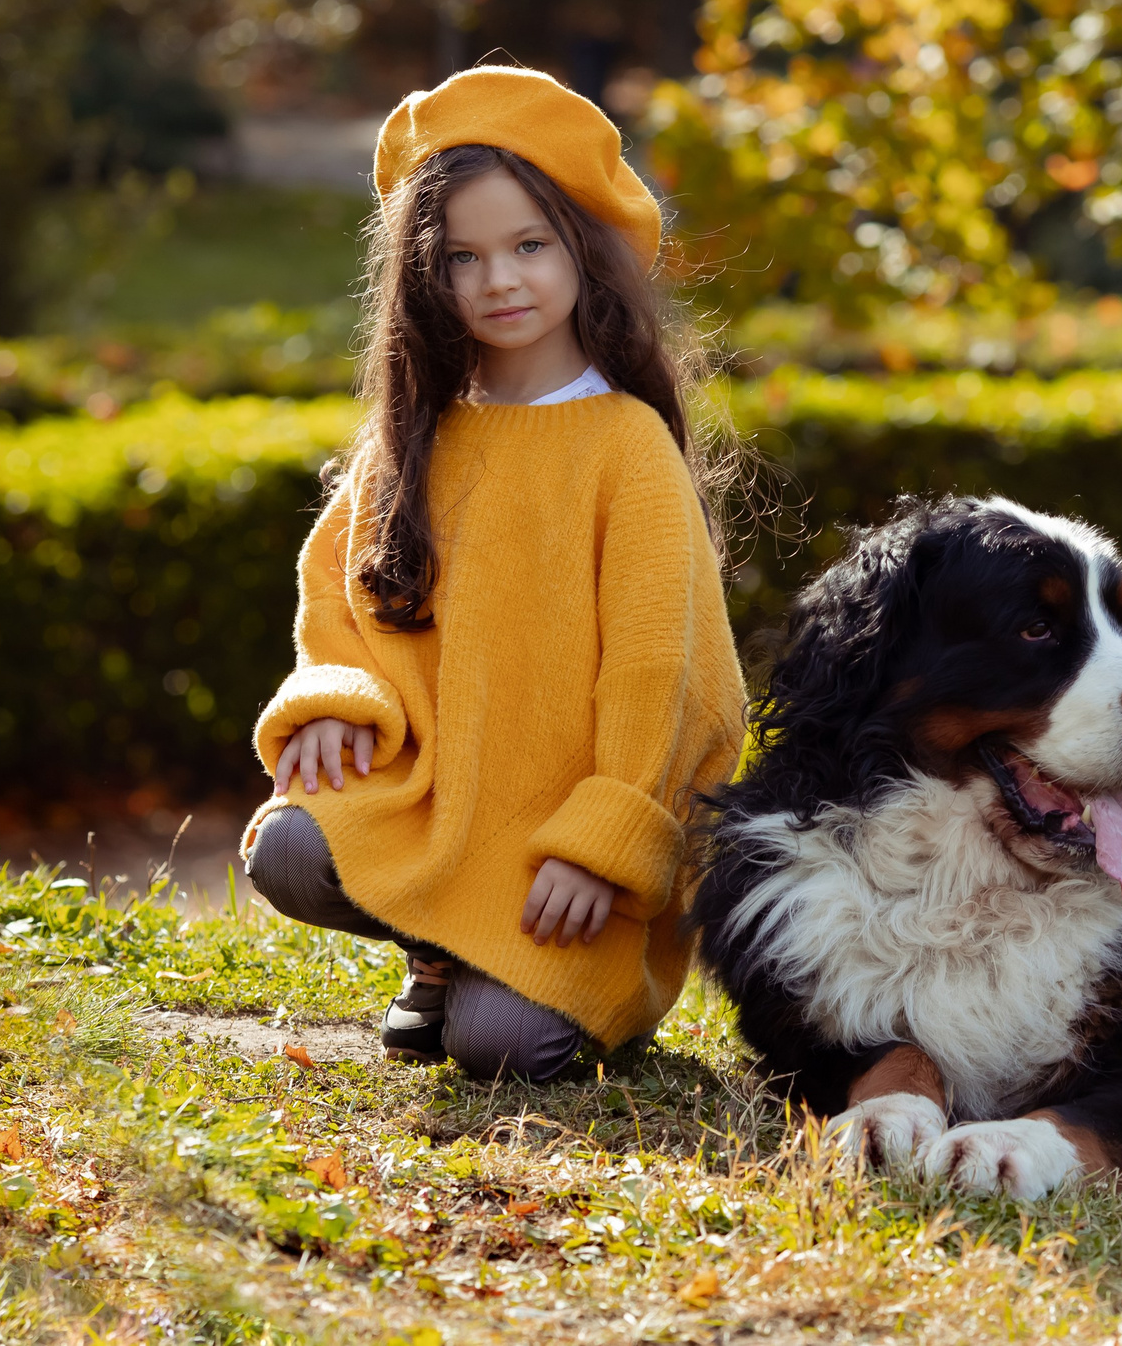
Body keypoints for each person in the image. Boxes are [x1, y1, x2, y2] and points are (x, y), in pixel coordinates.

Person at [239, 65, 745, 1081]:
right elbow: (342, 596)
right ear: (425, 274)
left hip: (562, 852)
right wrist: (339, 699)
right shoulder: (421, 435)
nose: (499, 281)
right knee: (288, 850)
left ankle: (515, 979)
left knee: (502, 1052)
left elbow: (666, 671)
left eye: (528, 246)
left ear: (582, 252)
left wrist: (605, 841)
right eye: (462, 257)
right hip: (437, 807)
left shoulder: (625, 445)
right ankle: (438, 953)